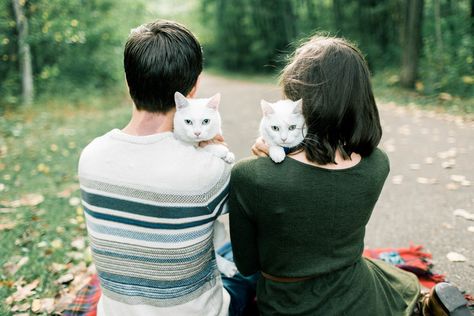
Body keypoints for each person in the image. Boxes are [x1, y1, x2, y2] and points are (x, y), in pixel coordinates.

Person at [229, 36, 470, 316]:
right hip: (360, 296)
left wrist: (269, 162)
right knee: (392, 279)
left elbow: (247, 265)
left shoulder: (251, 175)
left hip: (287, 306)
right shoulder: (377, 164)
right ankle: (427, 307)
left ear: (298, 101)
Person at [78, 20, 255, 316]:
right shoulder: (209, 168)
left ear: (128, 81)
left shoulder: (90, 156)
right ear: (194, 87)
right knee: (247, 259)